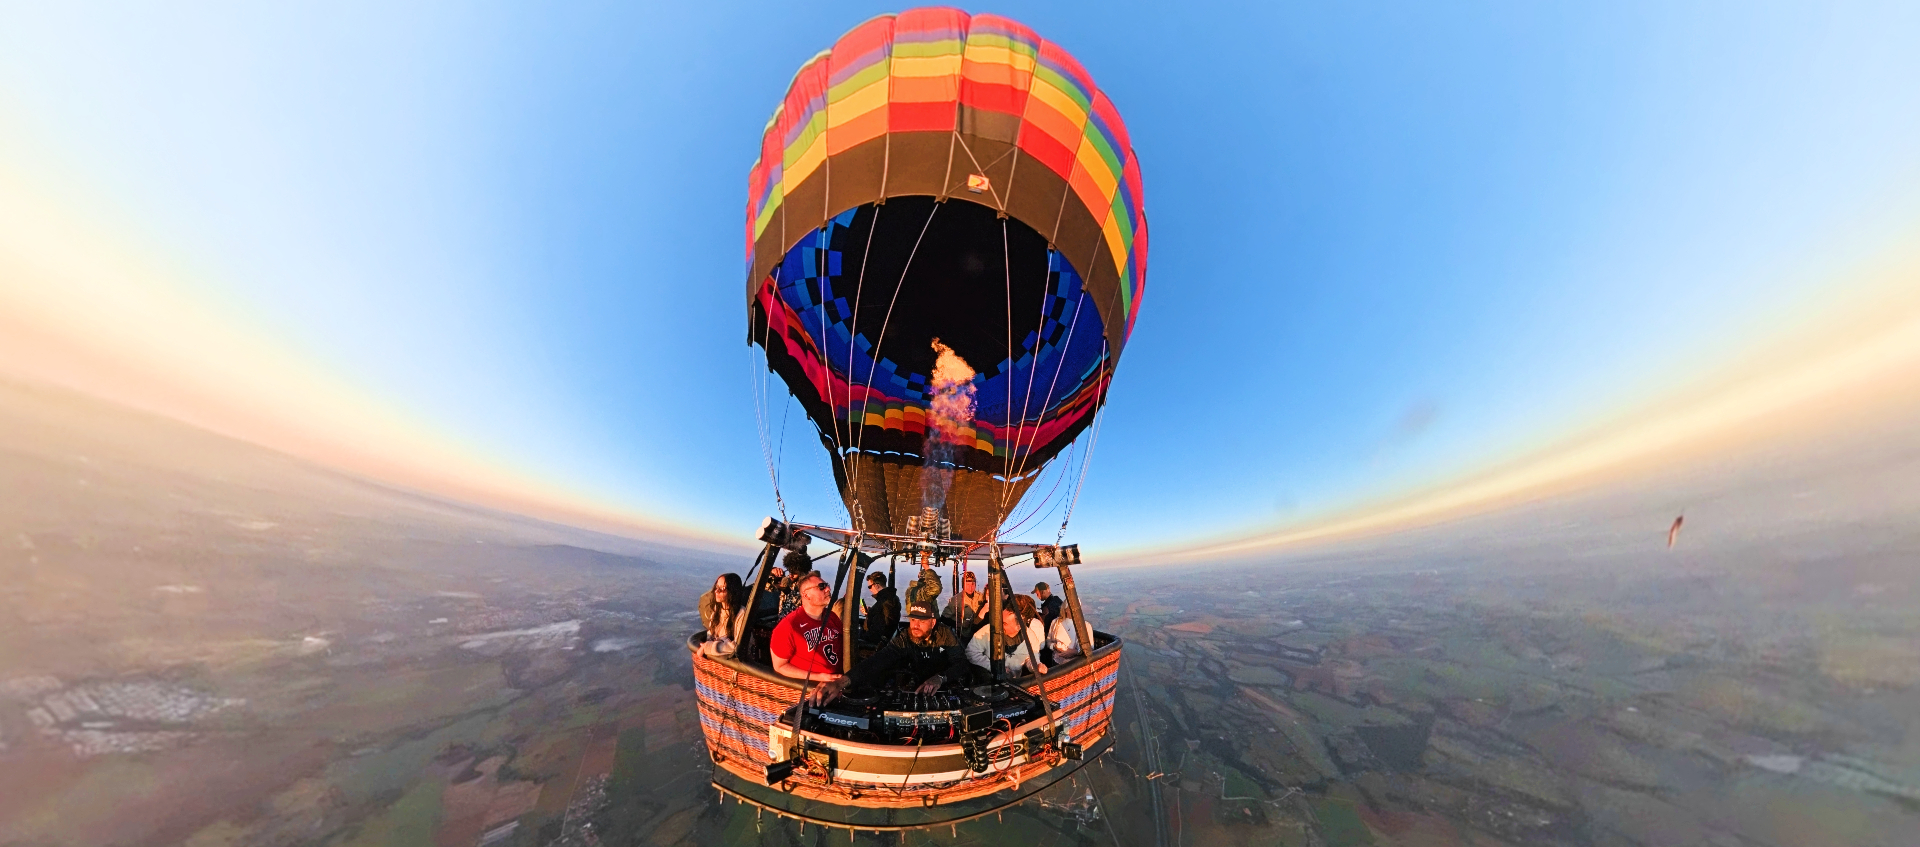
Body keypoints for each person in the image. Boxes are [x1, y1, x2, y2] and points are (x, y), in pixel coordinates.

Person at [811, 600, 968, 704]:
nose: (915, 625)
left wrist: (940, 678)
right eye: (913, 620)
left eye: (922, 621)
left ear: (933, 622)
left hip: (944, 686)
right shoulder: (905, 637)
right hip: (916, 686)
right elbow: (879, 660)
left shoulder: (945, 634)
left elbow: (961, 664)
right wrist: (841, 683)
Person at [770, 572, 843, 688]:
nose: (828, 589)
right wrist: (819, 677)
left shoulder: (832, 617)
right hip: (811, 688)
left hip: (837, 685)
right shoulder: (789, 626)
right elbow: (779, 666)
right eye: (821, 587)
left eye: (827, 585)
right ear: (806, 595)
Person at [967, 607, 1047, 679]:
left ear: (1018, 626)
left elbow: (1030, 658)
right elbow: (971, 652)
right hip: (989, 681)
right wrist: (993, 667)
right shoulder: (988, 630)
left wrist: (1036, 666)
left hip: (1015, 682)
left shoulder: (1030, 637)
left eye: (1004, 623)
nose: (999, 625)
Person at [699, 573, 746, 653]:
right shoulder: (717, 609)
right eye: (716, 587)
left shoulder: (741, 614)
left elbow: (737, 646)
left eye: (722, 588)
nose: (717, 591)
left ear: (732, 591)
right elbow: (710, 634)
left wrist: (707, 647)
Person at [861, 572, 900, 644]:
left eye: (870, 587)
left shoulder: (886, 602)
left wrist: (862, 636)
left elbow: (882, 629)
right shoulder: (888, 599)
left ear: (877, 586)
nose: (870, 590)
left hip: (873, 644)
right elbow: (880, 616)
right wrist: (869, 613)